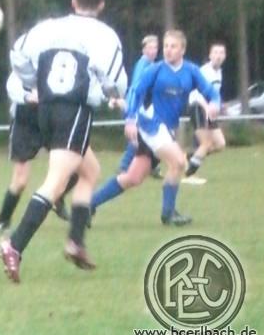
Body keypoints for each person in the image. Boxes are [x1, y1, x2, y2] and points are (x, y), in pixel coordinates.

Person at [0, 0, 128, 282]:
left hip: (44, 110)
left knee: (90, 171)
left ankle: (76, 241)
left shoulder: (48, 27)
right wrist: (110, 92)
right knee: (55, 183)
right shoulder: (104, 35)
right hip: (74, 110)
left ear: (73, 2)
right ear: (101, 5)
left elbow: (18, 54)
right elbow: (116, 81)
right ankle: (14, 245)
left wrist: (33, 82)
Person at [90, 30, 221, 226]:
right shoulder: (156, 70)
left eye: (173, 46)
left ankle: (88, 204)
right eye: (166, 46)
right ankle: (168, 214)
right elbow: (135, 92)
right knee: (178, 162)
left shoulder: (191, 71)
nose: (168, 50)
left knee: (133, 177)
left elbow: (211, 92)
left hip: (164, 129)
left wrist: (214, 104)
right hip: (151, 124)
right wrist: (130, 119)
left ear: (183, 49)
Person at [0, 69, 75, 233]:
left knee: (75, 165)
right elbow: (12, 87)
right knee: (20, 180)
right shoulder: (22, 68)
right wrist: (28, 97)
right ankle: (3, 219)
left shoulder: (54, 66)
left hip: (48, 122)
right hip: (24, 124)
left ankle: (58, 196)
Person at [117, 35, 159, 173]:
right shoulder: (144, 64)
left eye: (155, 48)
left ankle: (152, 166)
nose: (153, 51)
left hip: (144, 105)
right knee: (139, 136)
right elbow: (137, 87)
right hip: (136, 105)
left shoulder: (151, 65)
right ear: (144, 50)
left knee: (149, 135)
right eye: (150, 48)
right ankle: (124, 166)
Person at [185, 43, 227, 178]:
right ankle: (187, 174)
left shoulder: (219, 72)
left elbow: (214, 94)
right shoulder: (204, 71)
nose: (218, 56)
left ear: (225, 56)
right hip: (198, 107)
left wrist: (219, 105)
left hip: (209, 110)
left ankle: (192, 157)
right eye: (215, 52)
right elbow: (196, 94)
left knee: (220, 144)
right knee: (206, 143)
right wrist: (207, 107)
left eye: (221, 53)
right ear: (210, 55)